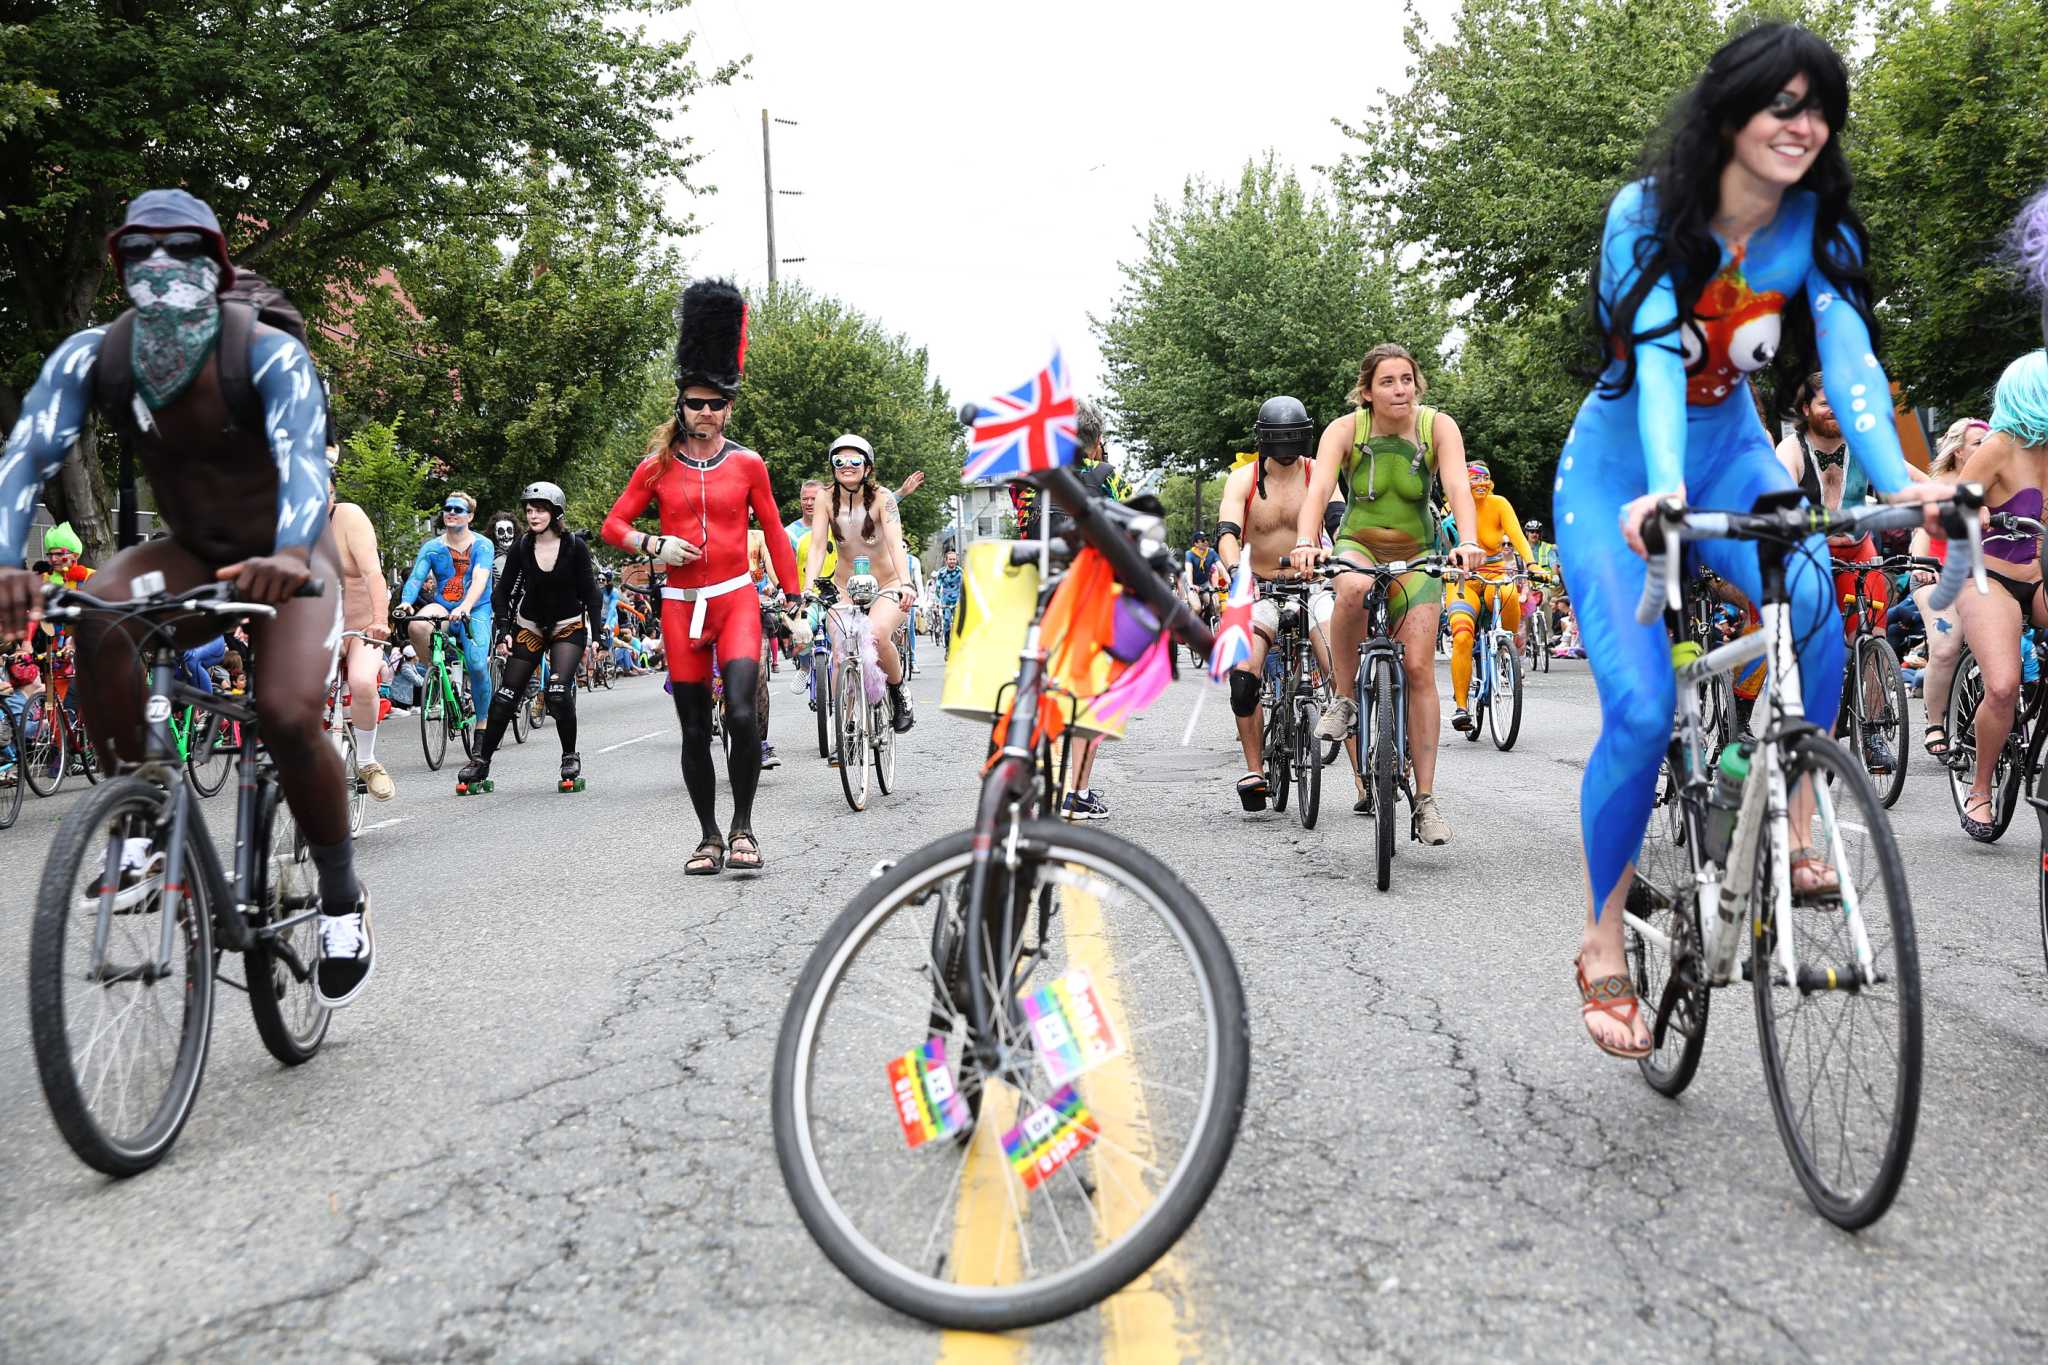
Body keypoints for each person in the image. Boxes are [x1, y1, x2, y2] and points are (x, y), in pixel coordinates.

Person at [1554, 26, 1944, 1057]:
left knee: (1814, 597)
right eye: (1781, 102)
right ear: (1728, 114)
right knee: (1638, 713)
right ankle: (1600, 938)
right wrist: (1663, 491)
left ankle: (1796, 822)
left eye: (1819, 108)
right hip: (1618, 475)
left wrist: (1902, 479)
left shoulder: (1815, 226)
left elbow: (1853, 365)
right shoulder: (1645, 216)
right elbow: (1646, 364)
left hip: (1730, 453)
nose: (1802, 124)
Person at [0, 189, 374, 1006]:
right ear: (118, 266)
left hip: (289, 554)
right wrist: (6, 565)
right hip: (195, 553)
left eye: (182, 251)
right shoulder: (92, 357)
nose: (160, 267)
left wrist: (287, 550)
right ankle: (140, 827)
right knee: (96, 608)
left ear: (218, 264)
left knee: (282, 711)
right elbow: (24, 454)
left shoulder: (268, 353)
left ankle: (343, 894)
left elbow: (306, 461)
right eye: (140, 253)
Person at [602, 278, 799, 874]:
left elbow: (776, 531)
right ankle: (708, 836)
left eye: (716, 404)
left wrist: (793, 597)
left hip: (736, 598)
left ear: (728, 408)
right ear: (681, 407)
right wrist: (654, 543)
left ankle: (743, 829)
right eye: (696, 403)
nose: (706, 412)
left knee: (741, 714)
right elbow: (612, 526)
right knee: (693, 730)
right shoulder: (656, 467)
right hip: (681, 605)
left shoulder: (749, 464)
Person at [1293, 342, 1483, 840]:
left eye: (1406, 379)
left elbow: (1459, 487)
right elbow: (1317, 493)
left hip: (1418, 553)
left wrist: (1467, 541)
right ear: (1367, 391)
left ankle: (1425, 802)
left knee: (1420, 667)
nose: (1399, 389)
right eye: (1387, 381)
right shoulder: (1344, 430)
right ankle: (1345, 698)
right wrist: (1304, 543)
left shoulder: (1437, 427)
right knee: (1351, 586)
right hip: (1358, 543)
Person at [1216, 396, 1336, 810]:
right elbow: (1228, 531)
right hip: (1261, 588)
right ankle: (1255, 771)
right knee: (1244, 677)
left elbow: (1337, 519)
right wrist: (1236, 570)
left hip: (1314, 585)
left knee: (1340, 673)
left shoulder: (1320, 474)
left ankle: (1362, 781)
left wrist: (1343, 561)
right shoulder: (1242, 479)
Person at [1777, 370, 1897, 772]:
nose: (1836, 411)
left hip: (1859, 549)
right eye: (1827, 403)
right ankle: (1811, 728)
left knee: (1873, 639)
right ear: (1806, 408)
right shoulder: (1792, 449)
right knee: (1814, 643)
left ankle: (1875, 729)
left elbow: (1904, 479)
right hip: (1811, 553)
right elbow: (1775, 492)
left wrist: (1947, 498)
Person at [1952, 350, 2048, 838]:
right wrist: (1976, 512)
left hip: (2043, 575)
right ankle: (1981, 788)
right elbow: (1955, 505)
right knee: (2005, 685)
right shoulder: (1999, 446)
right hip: (1989, 577)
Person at [456, 481, 604, 792]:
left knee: (558, 691)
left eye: (539, 509)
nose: (533, 515)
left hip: (567, 625)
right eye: (529, 510)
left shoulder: (575, 547)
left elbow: (591, 593)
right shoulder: (523, 547)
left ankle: (569, 756)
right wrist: (504, 631)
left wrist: (599, 634)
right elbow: (502, 592)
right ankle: (481, 761)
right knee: (506, 696)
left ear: (555, 512)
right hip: (531, 625)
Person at [804, 433, 917, 735]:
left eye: (855, 460)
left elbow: (895, 544)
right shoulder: (825, 498)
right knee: (841, 648)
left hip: (887, 583)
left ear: (867, 467)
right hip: (844, 586)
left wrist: (906, 584)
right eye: (839, 461)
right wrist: (807, 587)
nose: (847, 466)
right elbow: (816, 547)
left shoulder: (884, 498)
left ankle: (897, 691)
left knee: (877, 636)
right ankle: (847, 724)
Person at [1909, 417, 1988, 762]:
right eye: (1978, 444)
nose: (1987, 450)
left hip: (1980, 577)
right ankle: (1936, 723)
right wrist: (1923, 563)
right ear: (1958, 452)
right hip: (1936, 576)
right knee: (1945, 647)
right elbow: (1924, 533)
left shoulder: (1995, 481)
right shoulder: (1941, 484)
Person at [1447, 461, 1533, 734]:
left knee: (1509, 593)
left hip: (1495, 574)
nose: (1481, 484)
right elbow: (1442, 542)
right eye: (1474, 479)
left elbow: (1517, 536)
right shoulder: (1455, 506)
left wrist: (1531, 565)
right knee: (1462, 636)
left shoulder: (1499, 504)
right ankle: (1462, 706)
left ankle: (1506, 651)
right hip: (1464, 578)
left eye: (1485, 479)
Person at [329, 459, 396, 800]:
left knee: (361, 681)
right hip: (317, 628)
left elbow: (372, 574)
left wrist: (380, 621)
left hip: (361, 626)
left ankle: (368, 761)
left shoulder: (349, 517)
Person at [397, 490, 495, 720]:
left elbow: (481, 578)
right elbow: (416, 578)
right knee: (418, 626)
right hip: (444, 606)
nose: (451, 512)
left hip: (476, 608)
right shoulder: (432, 547)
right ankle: (438, 676)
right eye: (448, 508)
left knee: (478, 666)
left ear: (470, 516)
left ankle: (483, 723)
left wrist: (466, 607)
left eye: (458, 509)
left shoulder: (483, 545)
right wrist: (406, 602)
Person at [931, 548, 962, 641]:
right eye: (950, 559)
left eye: (954, 559)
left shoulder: (961, 572)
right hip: (946, 601)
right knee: (947, 622)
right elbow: (937, 588)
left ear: (956, 560)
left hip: (958, 600)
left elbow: (965, 587)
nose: (952, 561)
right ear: (946, 560)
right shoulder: (941, 573)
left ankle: (959, 643)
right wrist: (937, 602)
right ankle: (948, 647)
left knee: (959, 623)